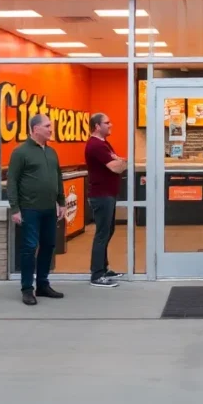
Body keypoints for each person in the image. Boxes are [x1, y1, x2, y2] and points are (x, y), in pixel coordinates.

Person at [7, 113, 66, 306]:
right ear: (35, 129)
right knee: (30, 247)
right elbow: (12, 182)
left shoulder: (51, 152)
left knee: (48, 245)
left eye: (51, 126)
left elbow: (58, 178)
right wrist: (15, 208)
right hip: (29, 209)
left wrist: (62, 202)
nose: (51, 129)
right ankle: (27, 289)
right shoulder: (20, 152)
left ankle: (42, 284)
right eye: (47, 126)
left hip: (50, 209)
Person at [85, 113, 128, 288]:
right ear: (97, 126)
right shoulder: (96, 146)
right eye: (107, 123)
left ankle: (103, 268)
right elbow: (116, 167)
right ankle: (97, 274)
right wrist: (123, 162)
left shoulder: (104, 144)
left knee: (108, 231)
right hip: (101, 196)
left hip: (107, 195)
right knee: (102, 234)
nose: (111, 125)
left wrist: (120, 161)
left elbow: (117, 161)